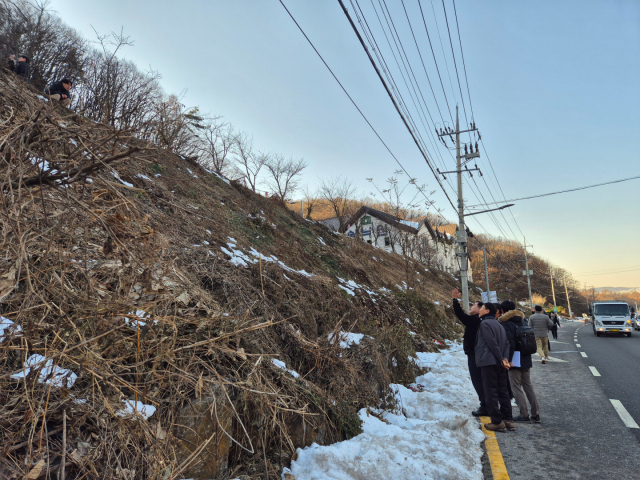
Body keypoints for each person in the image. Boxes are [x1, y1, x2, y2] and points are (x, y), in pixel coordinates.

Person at [498, 301, 541, 423]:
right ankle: (536, 414)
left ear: (502, 311)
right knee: (528, 385)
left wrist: (509, 359)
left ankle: (523, 414)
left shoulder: (506, 323)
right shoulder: (523, 320)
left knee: (515, 387)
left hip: (514, 358)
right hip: (526, 356)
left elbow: (510, 343)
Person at [475, 302, 513, 432]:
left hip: (489, 361)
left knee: (490, 391)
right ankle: (508, 420)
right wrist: (505, 358)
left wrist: (500, 358)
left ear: (486, 311)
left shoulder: (484, 324)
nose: (479, 310)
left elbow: (491, 342)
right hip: (500, 363)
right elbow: (507, 343)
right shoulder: (498, 324)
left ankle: (497, 421)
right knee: (503, 391)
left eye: (482, 308)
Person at [452, 288, 486, 416]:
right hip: (477, 353)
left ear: (480, 310)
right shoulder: (480, 320)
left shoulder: (475, 320)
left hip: (474, 353)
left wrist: (455, 300)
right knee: (481, 379)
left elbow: (460, 315)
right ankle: (486, 404)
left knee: (477, 379)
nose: (471, 307)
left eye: (474, 306)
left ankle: (485, 406)